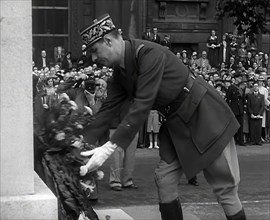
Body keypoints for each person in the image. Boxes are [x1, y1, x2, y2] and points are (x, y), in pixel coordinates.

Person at [79, 14, 246, 220]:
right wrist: (79, 145)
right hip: (176, 122)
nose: (94, 59)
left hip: (203, 115)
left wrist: (109, 147)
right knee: (164, 179)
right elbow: (105, 113)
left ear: (108, 41)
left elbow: (143, 103)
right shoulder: (119, 74)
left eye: (95, 51)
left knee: (224, 186)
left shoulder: (148, 53)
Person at [247, 81, 265, 145]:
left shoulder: (262, 96)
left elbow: (262, 106)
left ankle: (258, 140)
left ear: (258, 87)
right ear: (253, 87)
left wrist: (259, 114)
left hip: (259, 114)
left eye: (256, 86)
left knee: (258, 128)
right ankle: (252, 140)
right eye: (254, 86)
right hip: (252, 113)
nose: (255, 87)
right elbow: (248, 105)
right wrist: (251, 113)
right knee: (252, 128)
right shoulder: (249, 96)